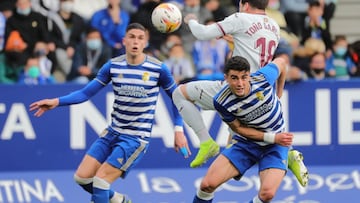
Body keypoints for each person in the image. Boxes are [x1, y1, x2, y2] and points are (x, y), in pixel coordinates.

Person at [29, 23, 190, 203]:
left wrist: (178, 130)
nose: (135, 41)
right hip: (113, 131)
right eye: (132, 37)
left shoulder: (158, 69)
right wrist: (56, 102)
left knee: (100, 181)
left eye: (140, 38)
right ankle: (119, 200)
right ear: (124, 41)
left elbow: (177, 98)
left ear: (145, 42)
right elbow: (85, 93)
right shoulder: (113, 66)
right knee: (82, 178)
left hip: (135, 138)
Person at [172, 0, 309, 187]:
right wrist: (277, 94)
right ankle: (290, 154)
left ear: (244, 4)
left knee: (179, 94)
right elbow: (260, 50)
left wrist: (191, 20)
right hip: (261, 90)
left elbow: (202, 33)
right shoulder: (274, 26)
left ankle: (206, 142)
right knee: (236, 153)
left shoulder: (240, 18)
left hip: (237, 86)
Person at [192, 55, 293, 203]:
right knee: (208, 184)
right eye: (234, 78)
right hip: (247, 143)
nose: (240, 83)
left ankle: (289, 156)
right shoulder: (221, 101)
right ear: (226, 78)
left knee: (267, 194)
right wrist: (271, 137)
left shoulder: (263, 79)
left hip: (276, 145)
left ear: (249, 76)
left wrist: (279, 92)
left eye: (244, 77)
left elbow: (283, 61)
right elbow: (238, 128)